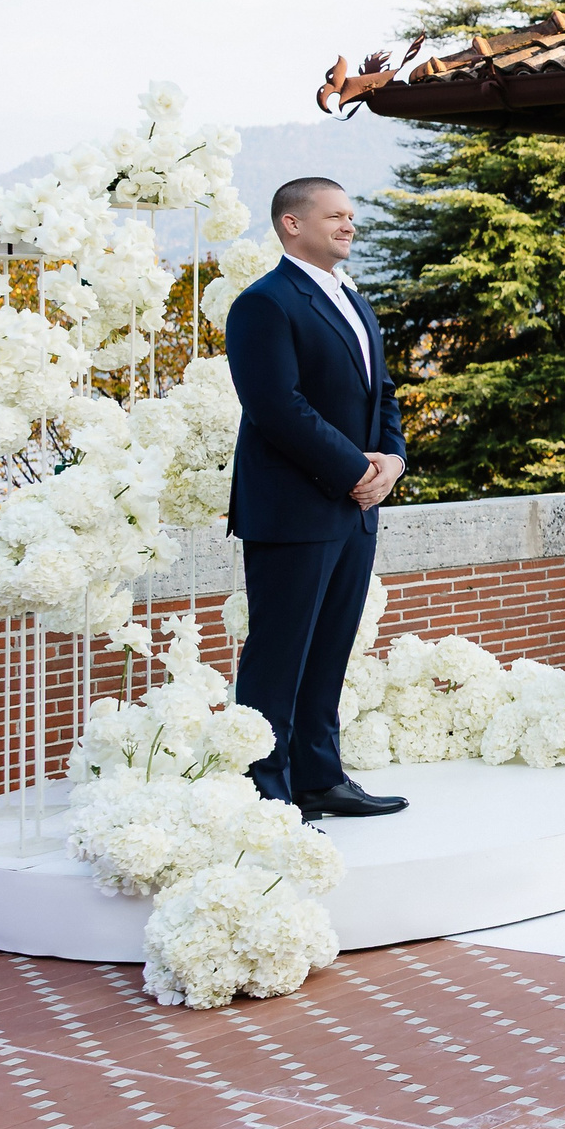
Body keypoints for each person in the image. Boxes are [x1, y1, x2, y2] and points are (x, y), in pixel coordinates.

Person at [224, 176, 410, 820]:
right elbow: (276, 406)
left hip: (356, 509)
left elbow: (383, 392)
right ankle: (264, 792)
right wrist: (354, 469)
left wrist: (393, 461)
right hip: (293, 509)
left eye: (351, 215)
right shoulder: (264, 303)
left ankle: (319, 780)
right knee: (279, 656)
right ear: (292, 224)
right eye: (334, 216)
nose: (348, 225)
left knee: (330, 649)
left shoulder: (355, 302)